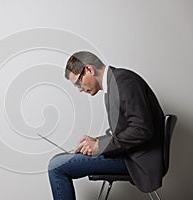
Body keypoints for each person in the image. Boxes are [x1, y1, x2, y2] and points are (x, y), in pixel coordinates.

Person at [48, 51, 165, 200]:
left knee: (56, 166)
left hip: (137, 160)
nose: (79, 88)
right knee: (60, 158)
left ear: (89, 69)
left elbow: (141, 129)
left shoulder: (124, 82)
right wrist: (96, 142)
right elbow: (124, 131)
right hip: (129, 154)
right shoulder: (114, 84)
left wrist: (101, 146)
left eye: (78, 82)